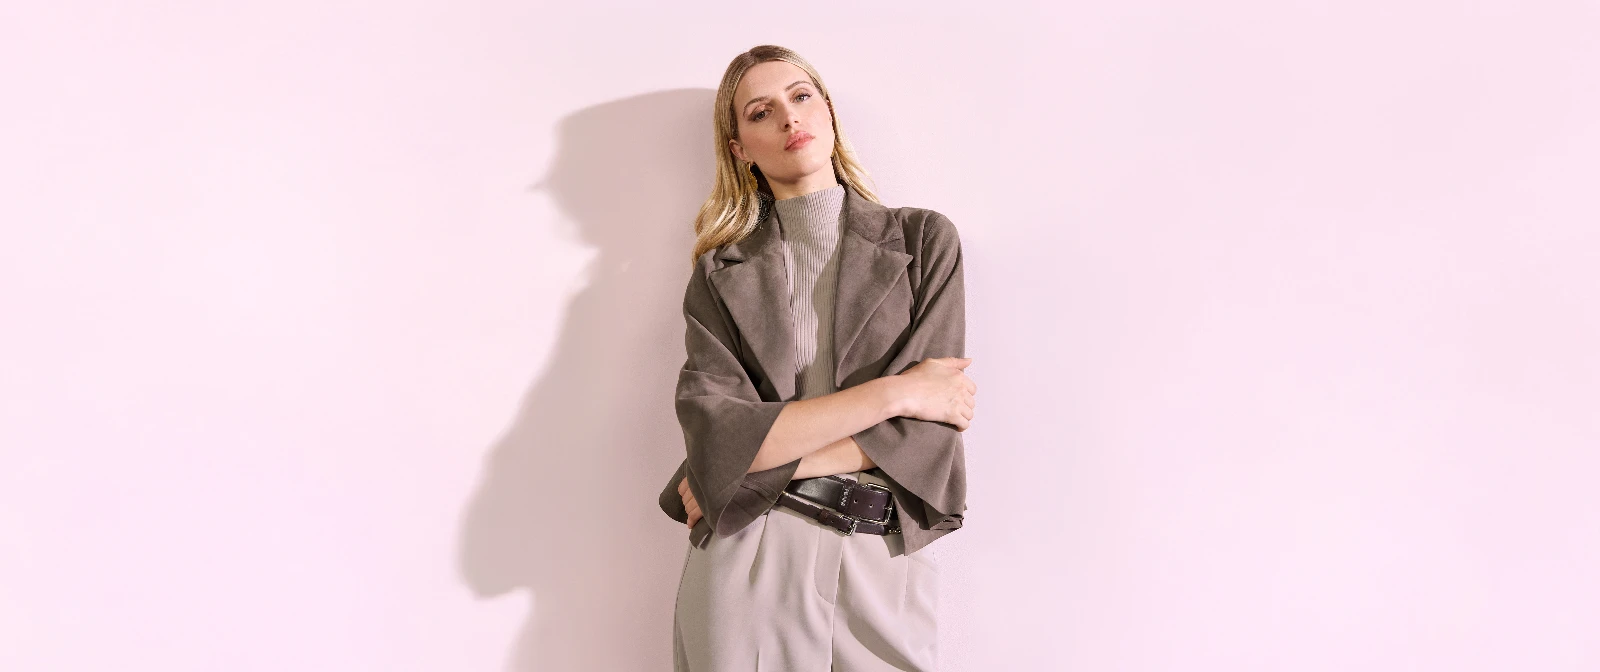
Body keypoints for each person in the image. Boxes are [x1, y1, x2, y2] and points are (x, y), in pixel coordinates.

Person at [657, 44, 976, 671]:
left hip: (880, 557)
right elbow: (720, 436)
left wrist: (745, 471)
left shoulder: (923, 241)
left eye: (801, 96)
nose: (788, 117)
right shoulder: (719, 275)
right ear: (740, 148)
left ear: (828, 110)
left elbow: (927, 439)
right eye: (760, 111)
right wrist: (896, 393)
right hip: (748, 562)